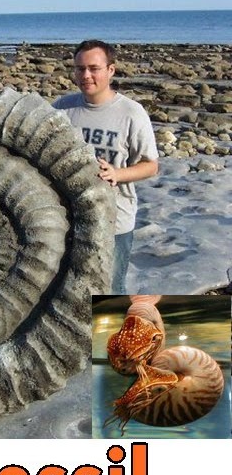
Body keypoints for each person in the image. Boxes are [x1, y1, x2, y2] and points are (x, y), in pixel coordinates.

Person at [53, 40, 158, 295]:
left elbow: (151, 166)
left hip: (115, 222)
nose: (86, 75)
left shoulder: (131, 113)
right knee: (66, 290)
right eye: (79, 69)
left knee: (110, 289)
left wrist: (116, 174)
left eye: (93, 68)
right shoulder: (61, 109)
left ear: (111, 70)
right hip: (68, 219)